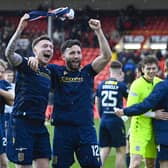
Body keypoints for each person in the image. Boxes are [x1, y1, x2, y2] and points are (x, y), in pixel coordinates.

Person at [46, 19, 112, 168]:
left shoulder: (87, 72)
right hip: (63, 130)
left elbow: (107, 56)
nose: (76, 56)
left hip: (85, 129)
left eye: (78, 53)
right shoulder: (56, 72)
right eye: (72, 53)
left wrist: (98, 31)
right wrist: (33, 58)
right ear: (63, 56)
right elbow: (39, 66)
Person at [5, 13, 54, 168]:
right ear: (34, 50)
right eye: (45, 46)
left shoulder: (49, 72)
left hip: (40, 125)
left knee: (44, 164)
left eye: (51, 47)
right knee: (24, 165)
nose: (49, 49)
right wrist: (21, 27)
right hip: (22, 123)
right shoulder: (27, 64)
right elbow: (9, 54)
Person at [114, 59, 168, 168]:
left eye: (154, 68)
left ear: (158, 69)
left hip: (154, 129)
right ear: (142, 69)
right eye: (148, 68)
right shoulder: (136, 85)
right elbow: (133, 108)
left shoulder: (159, 83)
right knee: (135, 163)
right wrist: (153, 115)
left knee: (150, 164)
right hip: (139, 128)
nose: (151, 71)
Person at [95, 60, 128, 168]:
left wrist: (101, 115)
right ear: (120, 71)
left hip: (104, 119)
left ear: (109, 71)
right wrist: (126, 113)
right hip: (116, 120)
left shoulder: (101, 85)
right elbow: (132, 100)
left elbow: (97, 101)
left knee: (104, 149)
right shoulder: (121, 86)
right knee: (121, 150)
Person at [0, 59, 14, 168]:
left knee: (3, 161)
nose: (0, 74)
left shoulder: (4, 84)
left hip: (0, 122)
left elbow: (11, 99)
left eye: (2, 71)